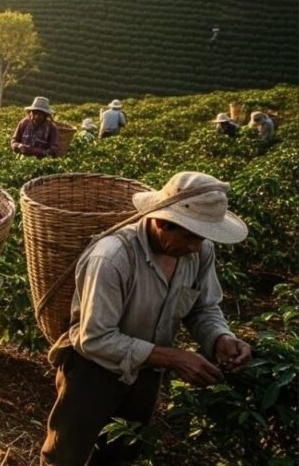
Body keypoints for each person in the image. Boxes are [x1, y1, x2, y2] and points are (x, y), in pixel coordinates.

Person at [41, 171, 252, 466]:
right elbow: (95, 338)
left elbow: (203, 307)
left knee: (121, 452)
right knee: (66, 454)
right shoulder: (112, 258)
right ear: (163, 221)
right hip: (93, 371)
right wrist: (174, 358)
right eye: (189, 236)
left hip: (147, 371)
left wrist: (221, 337)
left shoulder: (200, 251)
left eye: (201, 237)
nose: (195, 246)